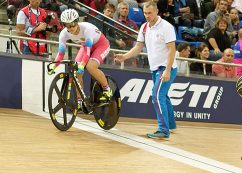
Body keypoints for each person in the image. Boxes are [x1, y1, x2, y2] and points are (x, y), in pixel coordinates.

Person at [115, 1, 177, 139]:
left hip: (166, 68)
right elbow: (138, 47)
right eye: (145, 13)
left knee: (157, 96)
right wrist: (124, 56)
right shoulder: (144, 27)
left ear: (156, 12)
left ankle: (163, 130)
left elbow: (172, 50)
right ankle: (171, 125)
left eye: (149, 13)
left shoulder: (166, 27)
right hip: (155, 68)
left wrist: (167, 70)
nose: (147, 16)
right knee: (163, 96)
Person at [49, 9, 112, 107]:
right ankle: (80, 100)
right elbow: (61, 53)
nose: (71, 27)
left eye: (73, 24)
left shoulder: (87, 29)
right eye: (67, 25)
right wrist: (54, 66)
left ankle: (107, 89)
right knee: (76, 71)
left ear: (77, 21)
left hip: (101, 45)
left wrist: (82, 65)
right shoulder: (63, 34)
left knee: (90, 66)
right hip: (85, 46)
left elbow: (87, 53)